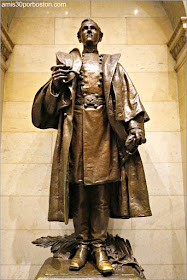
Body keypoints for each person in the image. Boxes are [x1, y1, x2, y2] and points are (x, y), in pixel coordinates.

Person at [32, 18, 152, 274]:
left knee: (100, 194)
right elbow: (44, 113)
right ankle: (82, 244)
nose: (89, 31)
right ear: (78, 36)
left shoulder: (111, 66)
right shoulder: (66, 64)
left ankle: (98, 246)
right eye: (84, 28)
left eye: (93, 28)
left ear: (100, 36)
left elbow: (129, 98)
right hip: (74, 133)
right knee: (79, 193)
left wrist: (135, 129)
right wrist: (55, 85)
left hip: (103, 133)